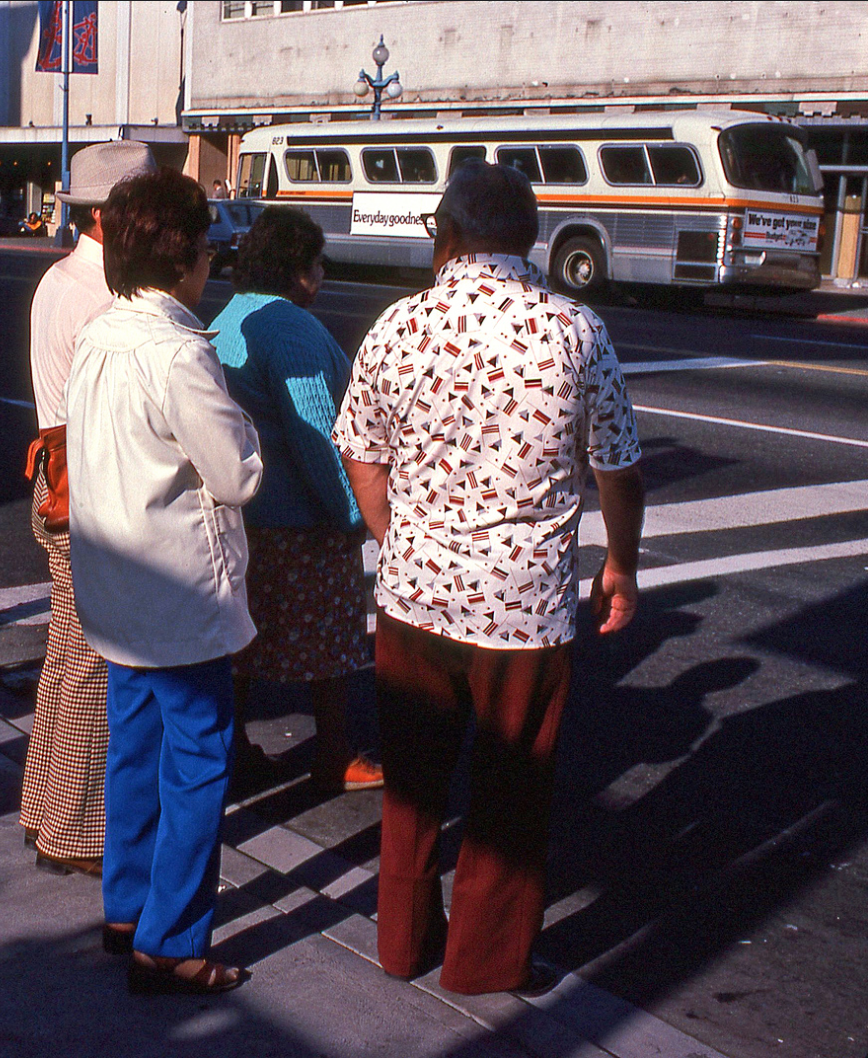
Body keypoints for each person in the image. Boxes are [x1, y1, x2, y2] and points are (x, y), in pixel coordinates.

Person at [334, 161, 644, 996]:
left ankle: (402, 943)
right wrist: (620, 563)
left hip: (413, 601)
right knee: (511, 793)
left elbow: (361, 453)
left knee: (412, 786)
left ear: (444, 235)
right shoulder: (576, 329)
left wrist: (401, 540)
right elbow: (618, 468)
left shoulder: (397, 325)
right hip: (523, 611)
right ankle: (483, 963)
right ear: (531, 239)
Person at [68, 169, 262, 994]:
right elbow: (236, 475)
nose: (211, 261)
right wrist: (247, 426)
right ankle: (172, 938)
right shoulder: (181, 351)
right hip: (181, 593)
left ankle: (126, 907)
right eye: (206, 247)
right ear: (182, 257)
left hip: (116, 582)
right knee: (197, 760)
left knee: (134, 752)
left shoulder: (99, 334)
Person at [209, 206, 382, 794]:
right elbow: (319, 437)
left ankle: (230, 753)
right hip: (299, 520)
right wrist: (354, 514)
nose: (323, 274)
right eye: (317, 263)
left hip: (243, 515)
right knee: (330, 646)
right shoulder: (291, 329)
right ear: (297, 269)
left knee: (240, 645)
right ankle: (334, 755)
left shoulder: (231, 315)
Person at [21, 140, 157, 877]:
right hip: (90, 482)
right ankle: (74, 832)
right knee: (91, 662)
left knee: (67, 654)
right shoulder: (106, 292)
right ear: (108, 215)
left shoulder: (60, 276)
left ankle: (46, 809)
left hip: (58, 473)